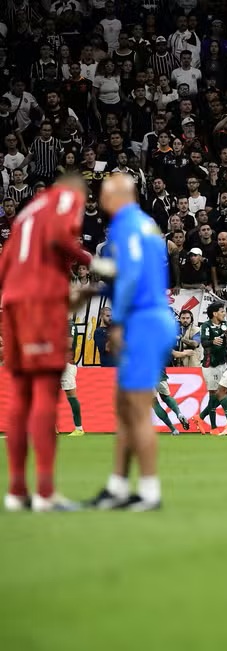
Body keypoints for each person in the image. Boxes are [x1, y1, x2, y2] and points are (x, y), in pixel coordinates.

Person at [0, 176, 94, 512]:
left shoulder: (25, 215)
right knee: (44, 394)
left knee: (21, 395)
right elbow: (58, 237)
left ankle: (16, 491)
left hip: (12, 307)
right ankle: (45, 492)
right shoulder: (66, 200)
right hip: (38, 307)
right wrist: (92, 261)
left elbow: (5, 266)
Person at [88, 174, 176, 511]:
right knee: (126, 407)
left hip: (142, 321)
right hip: (156, 317)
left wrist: (119, 321)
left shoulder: (123, 227)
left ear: (116, 197)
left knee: (137, 411)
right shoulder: (148, 226)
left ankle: (149, 492)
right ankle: (118, 487)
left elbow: (130, 276)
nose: (101, 201)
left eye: (104, 194)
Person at [188, 302, 227, 435]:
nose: (224, 314)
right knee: (214, 394)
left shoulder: (225, 325)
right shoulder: (206, 326)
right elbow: (204, 342)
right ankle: (214, 427)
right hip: (210, 365)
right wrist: (212, 341)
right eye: (222, 311)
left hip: (223, 364)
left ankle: (201, 417)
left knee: (224, 393)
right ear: (215, 313)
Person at [61, 322, 85, 437]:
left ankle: (79, 429)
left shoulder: (68, 324)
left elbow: (69, 344)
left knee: (71, 396)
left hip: (66, 364)